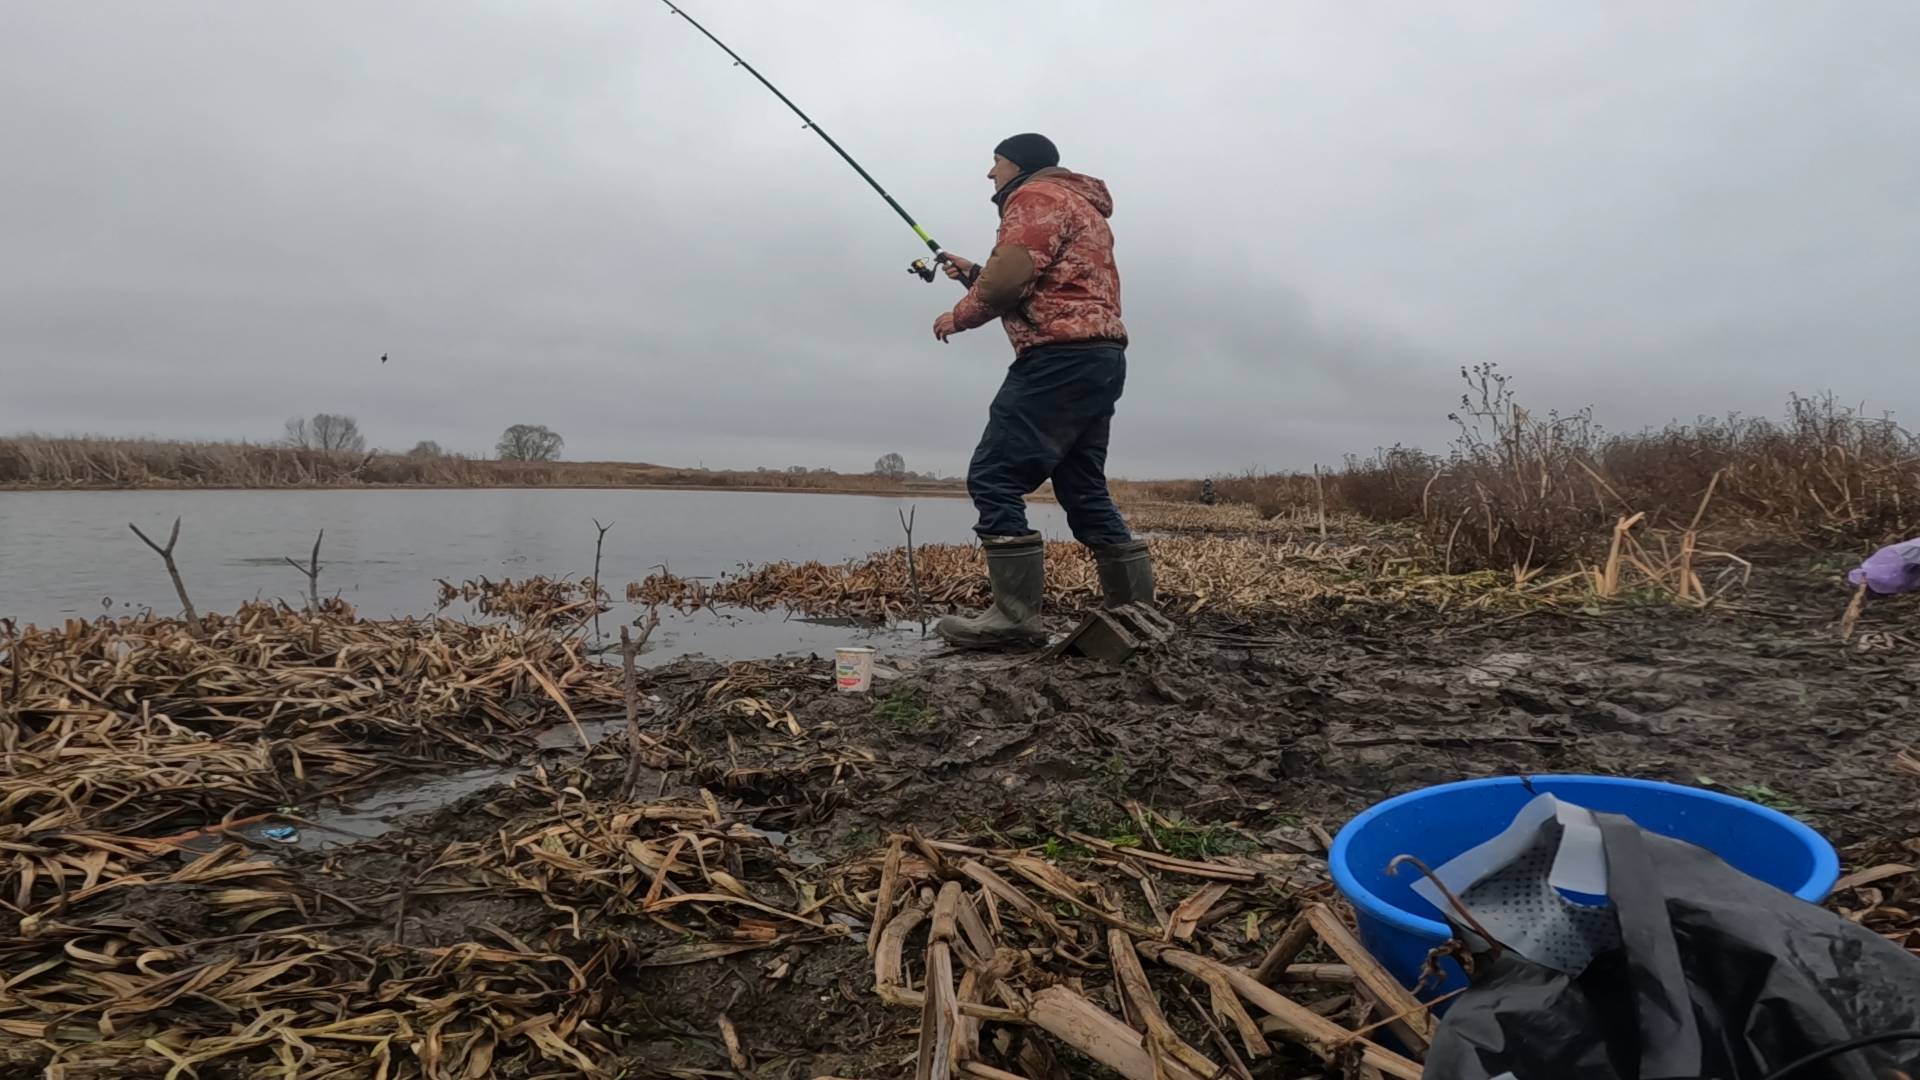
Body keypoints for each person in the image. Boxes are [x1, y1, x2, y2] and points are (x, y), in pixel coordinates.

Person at [930, 133, 1154, 648]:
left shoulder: (1034, 198)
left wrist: (960, 315)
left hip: (1057, 359)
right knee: (1083, 488)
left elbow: (1011, 283)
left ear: (1020, 164)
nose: (991, 175)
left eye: (996, 163)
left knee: (993, 477)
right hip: (1100, 358)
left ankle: (1014, 620)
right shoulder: (1082, 205)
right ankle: (1137, 614)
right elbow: (1049, 281)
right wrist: (974, 274)